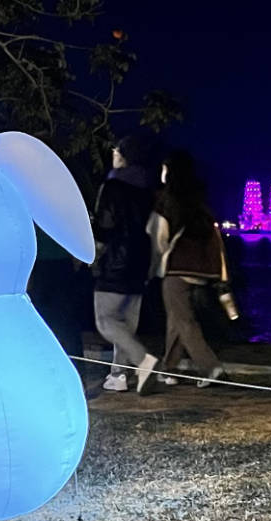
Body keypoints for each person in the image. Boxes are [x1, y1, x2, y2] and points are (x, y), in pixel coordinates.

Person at [149, 151, 229, 390]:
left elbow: (158, 238)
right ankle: (169, 368)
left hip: (176, 270)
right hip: (202, 270)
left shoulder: (166, 199)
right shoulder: (199, 201)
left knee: (184, 321)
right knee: (177, 318)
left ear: (170, 172)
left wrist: (156, 266)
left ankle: (210, 367)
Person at [91, 133, 163, 393]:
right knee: (126, 323)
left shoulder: (113, 185)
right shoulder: (148, 189)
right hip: (141, 259)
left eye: (116, 151)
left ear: (123, 155)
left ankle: (143, 360)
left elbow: (105, 225)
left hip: (116, 260)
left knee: (106, 320)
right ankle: (118, 375)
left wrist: (94, 254)